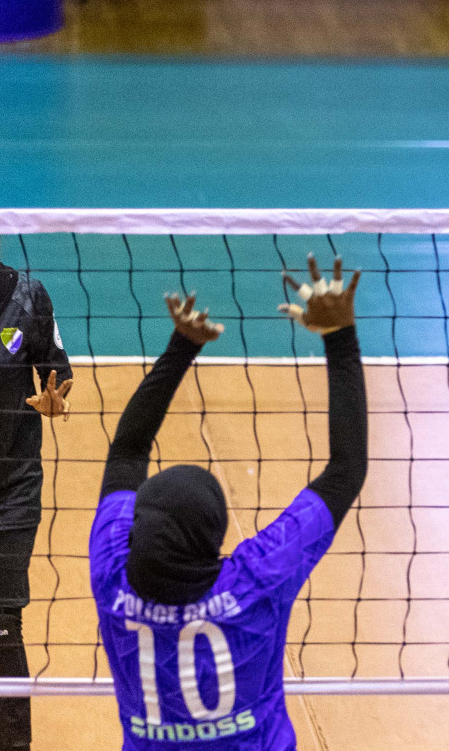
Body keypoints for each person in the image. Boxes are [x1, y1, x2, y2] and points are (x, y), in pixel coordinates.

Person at [89, 257, 366, 749]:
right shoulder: (257, 580)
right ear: (215, 538)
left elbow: (127, 451)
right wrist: (339, 336)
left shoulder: (112, 574)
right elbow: (346, 471)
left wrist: (181, 349)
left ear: (136, 531)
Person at [0, 184, 73, 751]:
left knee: (0, 630)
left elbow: (59, 370)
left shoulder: (28, 298)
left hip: (6, 496)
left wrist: (57, 396)